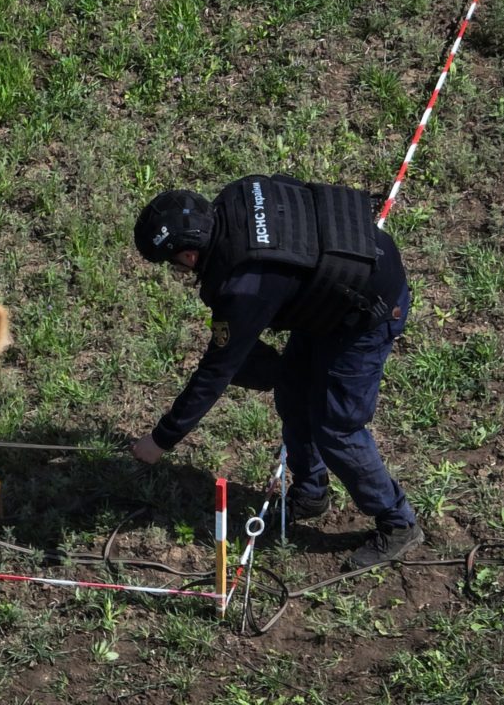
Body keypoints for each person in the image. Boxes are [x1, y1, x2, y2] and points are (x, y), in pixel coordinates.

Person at [130, 174, 422, 568]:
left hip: (367, 312)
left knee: (337, 427)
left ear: (188, 255)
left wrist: (160, 440)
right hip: (327, 296)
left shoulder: (243, 287)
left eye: (173, 264)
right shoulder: (234, 198)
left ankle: (398, 522)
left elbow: (215, 372)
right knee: (292, 390)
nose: (178, 273)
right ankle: (311, 491)